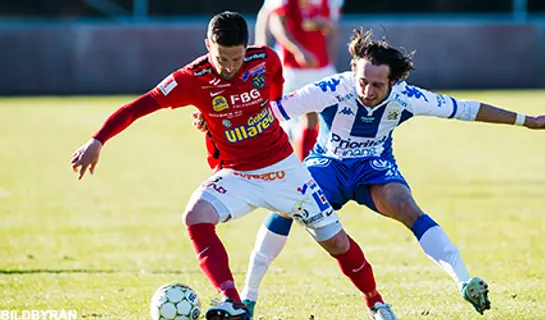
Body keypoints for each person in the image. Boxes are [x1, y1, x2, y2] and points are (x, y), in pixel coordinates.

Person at [195, 27, 545, 317]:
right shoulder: (332, 88)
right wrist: (211, 117)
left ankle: (465, 281)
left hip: (374, 168)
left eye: (377, 85)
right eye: (363, 81)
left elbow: (467, 108)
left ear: (393, 82)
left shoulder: (407, 97)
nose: (368, 91)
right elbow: (273, 111)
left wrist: (527, 121)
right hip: (328, 164)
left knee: (406, 206)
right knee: (285, 207)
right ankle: (250, 299)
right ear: (353, 72)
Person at [70, 13, 399, 320]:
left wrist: (258, 111)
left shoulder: (265, 59)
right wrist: (98, 140)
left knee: (337, 243)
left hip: (285, 170)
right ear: (207, 46)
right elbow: (139, 106)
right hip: (238, 174)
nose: (229, 66)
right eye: (222, 58)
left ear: (247, 49)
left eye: (236, 58)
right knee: (195, 216)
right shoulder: (191, 79)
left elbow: (276, 88)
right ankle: (233, 301)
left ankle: (376, 302)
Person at [255, 0, 343, 160]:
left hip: (321, 68)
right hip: (291, 70)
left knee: (326, 119)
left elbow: (334, 28)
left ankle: (311, 164)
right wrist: (297, 50)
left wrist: (330, 60)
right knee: (286, 120)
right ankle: (284, 164)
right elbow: (274, 20)